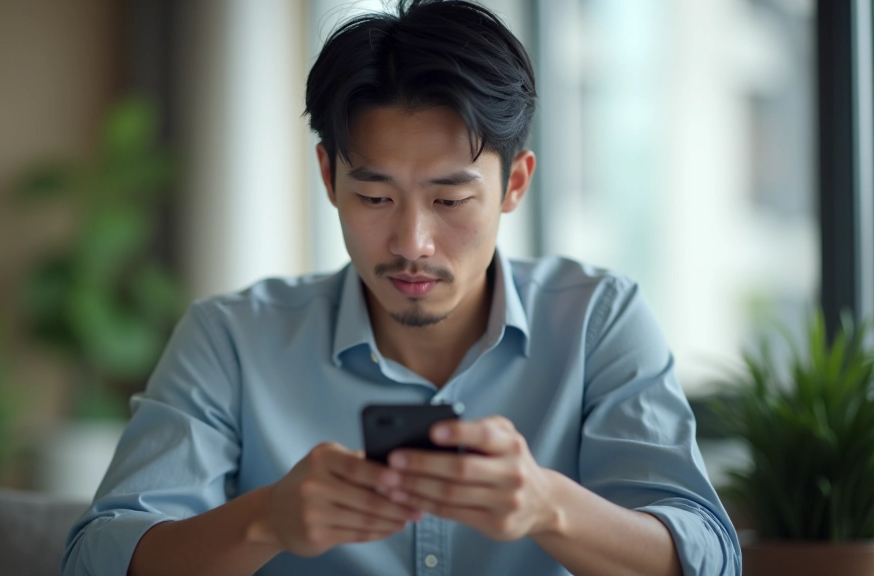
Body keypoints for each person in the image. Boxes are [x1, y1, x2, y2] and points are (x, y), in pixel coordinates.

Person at [61, 1, 741, 575]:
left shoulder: (599, 319)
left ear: (516, 183)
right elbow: (97, 557)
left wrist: (546, 505)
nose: (413, 242)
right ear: (328, 177)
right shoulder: (232, 337)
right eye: (375, 196)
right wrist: (265, 519)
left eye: (449, 201)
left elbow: (709, 554)